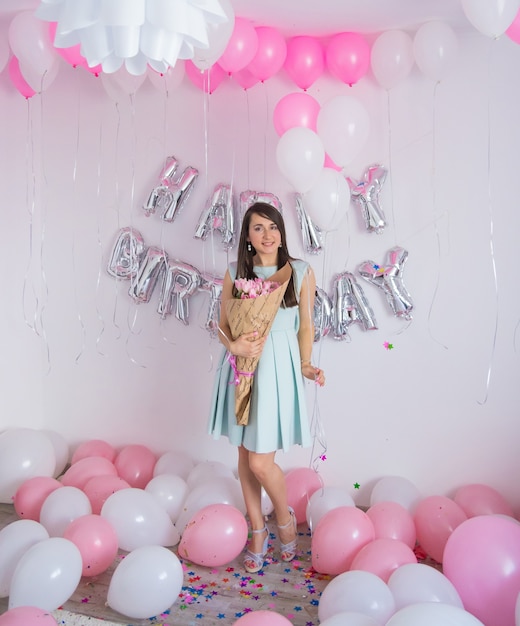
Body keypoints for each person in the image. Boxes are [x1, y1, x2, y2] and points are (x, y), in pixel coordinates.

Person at [207, 202, 325, 573]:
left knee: (261, 460)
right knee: (244, 455)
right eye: (258, 228)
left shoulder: (300, 272)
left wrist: (305, 364)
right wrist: (234, 345)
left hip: (278, 367)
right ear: (247, 236)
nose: (267, 234)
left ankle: (284, 519)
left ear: (282, 232)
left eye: (273, 227)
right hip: (242, 367)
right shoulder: (232, 273)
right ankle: (258, 530)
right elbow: (222, 324)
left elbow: (305, 324)